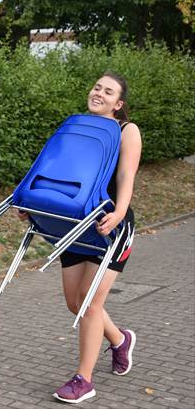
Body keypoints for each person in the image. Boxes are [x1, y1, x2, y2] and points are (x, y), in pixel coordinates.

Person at [18, 72, 142, 404]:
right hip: (75, 226)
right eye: (97, 87)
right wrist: (33, 204)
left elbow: (126, 175)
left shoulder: (126, 131)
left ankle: (83, 380)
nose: (99, 93)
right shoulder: (77, 127)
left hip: (110, 227)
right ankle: (120, 340)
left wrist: (119, 212)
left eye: (108, 91)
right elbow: (55, 171)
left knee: (88, 302)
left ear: (119, 104)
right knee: (75, 302)